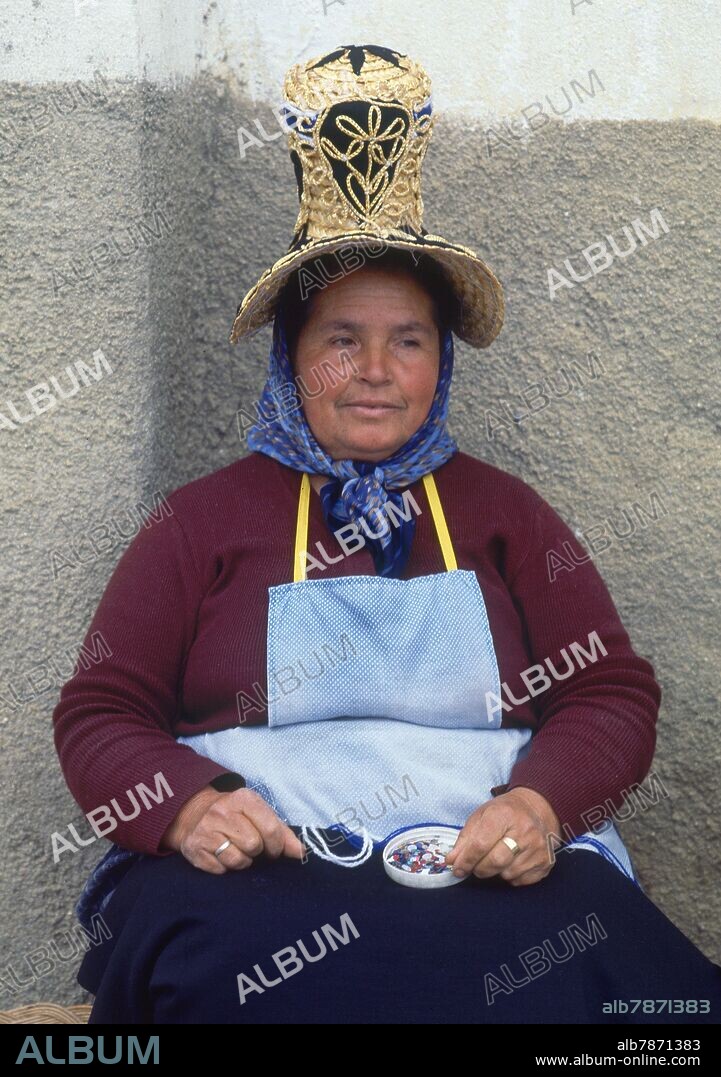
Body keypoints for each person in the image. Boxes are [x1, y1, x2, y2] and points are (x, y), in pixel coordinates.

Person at [53, 43, 721, 1024]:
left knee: (625, 991)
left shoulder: (506, 515)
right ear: (291, 361)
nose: (374, 370)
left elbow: (610, 691)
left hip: (481, 866)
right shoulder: (196, 525)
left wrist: (538, 808)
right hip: (263, 873)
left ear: (438, 363)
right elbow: (101, 713)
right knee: (216, 970)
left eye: (405, 341)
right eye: (340, 341)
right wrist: (191, 808)